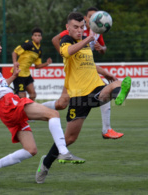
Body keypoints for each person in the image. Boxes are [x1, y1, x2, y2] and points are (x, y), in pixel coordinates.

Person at [0, 31, 82, 188]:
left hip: (6, 108)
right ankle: (63, 151)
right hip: (9, 104)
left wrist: (13, 77)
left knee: (31, 149)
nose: (0, 47)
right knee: (53, 114)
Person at [36, 12, 131, 184]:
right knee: (70, 139)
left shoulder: (85, 43)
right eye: (75, 27)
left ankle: (117, 97)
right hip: (79, 96)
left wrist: (107, 73)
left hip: (95, 88)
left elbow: (90, 64)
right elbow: (68, 52)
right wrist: (88, 39)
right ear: (68, 28)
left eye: (82, 27)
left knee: (119, 82)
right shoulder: (68, 41)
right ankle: (46, 163)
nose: (79, 30)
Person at [42, 7, 123, 139]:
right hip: (75, 72)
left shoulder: (98, 30)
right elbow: (55, 40)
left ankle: (107, 129)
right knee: (62, 103)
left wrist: (101, 48)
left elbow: (102, 50)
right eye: (90, 16)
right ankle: (35, 109)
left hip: (87, 69)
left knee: (104, 89)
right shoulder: (77, 29)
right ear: (85, 18)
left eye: (95, 16)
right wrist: (66, 58)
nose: (93, 19)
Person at [12, 27, 52, 100]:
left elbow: (37, 66)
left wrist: (46, 63)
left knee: (33, 95)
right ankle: (19, 109)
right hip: (19, 73)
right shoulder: (28, 44)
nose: (37, 37)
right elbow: (14, 52)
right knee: (22, 97)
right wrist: (15, 63)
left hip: (27, 74)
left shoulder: (39, 50)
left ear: (41, 37)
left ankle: (28, 110)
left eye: (39, 35)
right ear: (32, 37)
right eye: (35, 35)